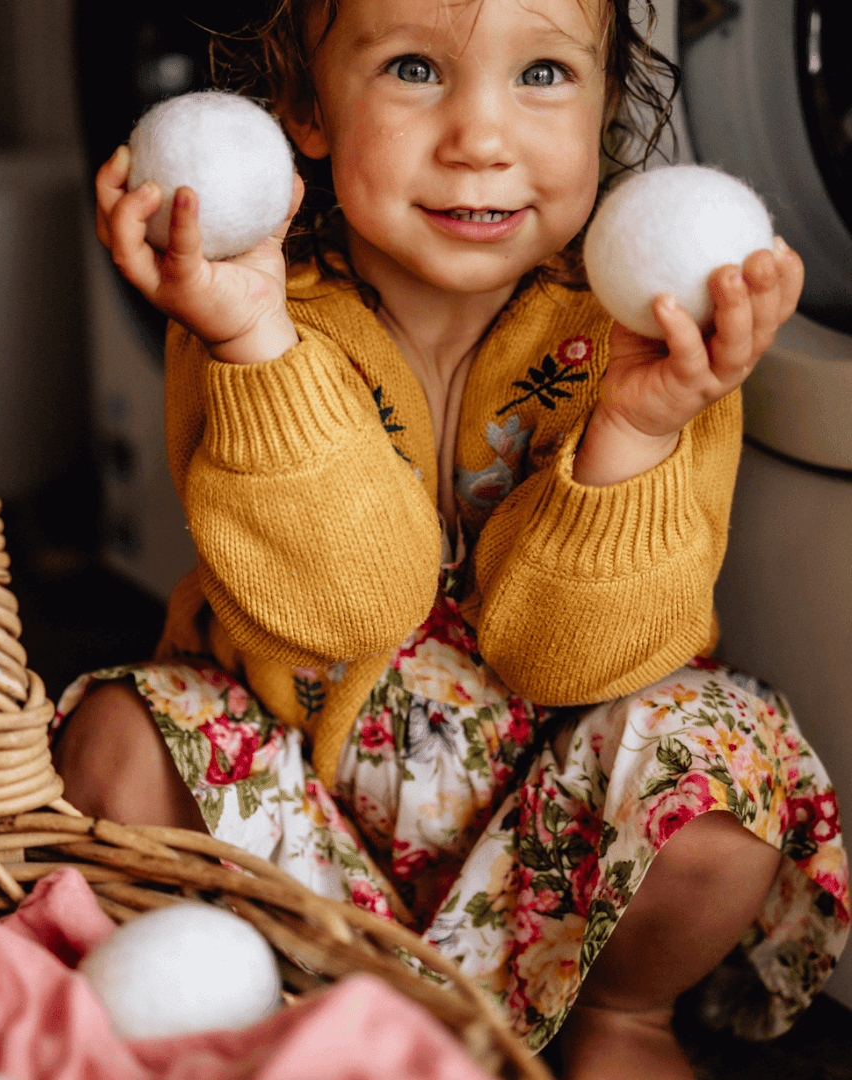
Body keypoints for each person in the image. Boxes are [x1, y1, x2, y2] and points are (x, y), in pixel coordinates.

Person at [52, 0, 850, 1075]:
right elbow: (349, 611)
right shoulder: (244, 300)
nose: (481, 136)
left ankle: (621, 1017)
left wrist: (635, 426)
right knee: (113, 737)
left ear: (610, 100)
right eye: (417, 67)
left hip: (556, 849)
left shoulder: (652, 324)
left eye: (545, 76)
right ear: (305, 102)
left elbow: (575, 655)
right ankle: (289, 1005)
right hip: (304, 837)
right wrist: (252, 342)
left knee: (723, 761)